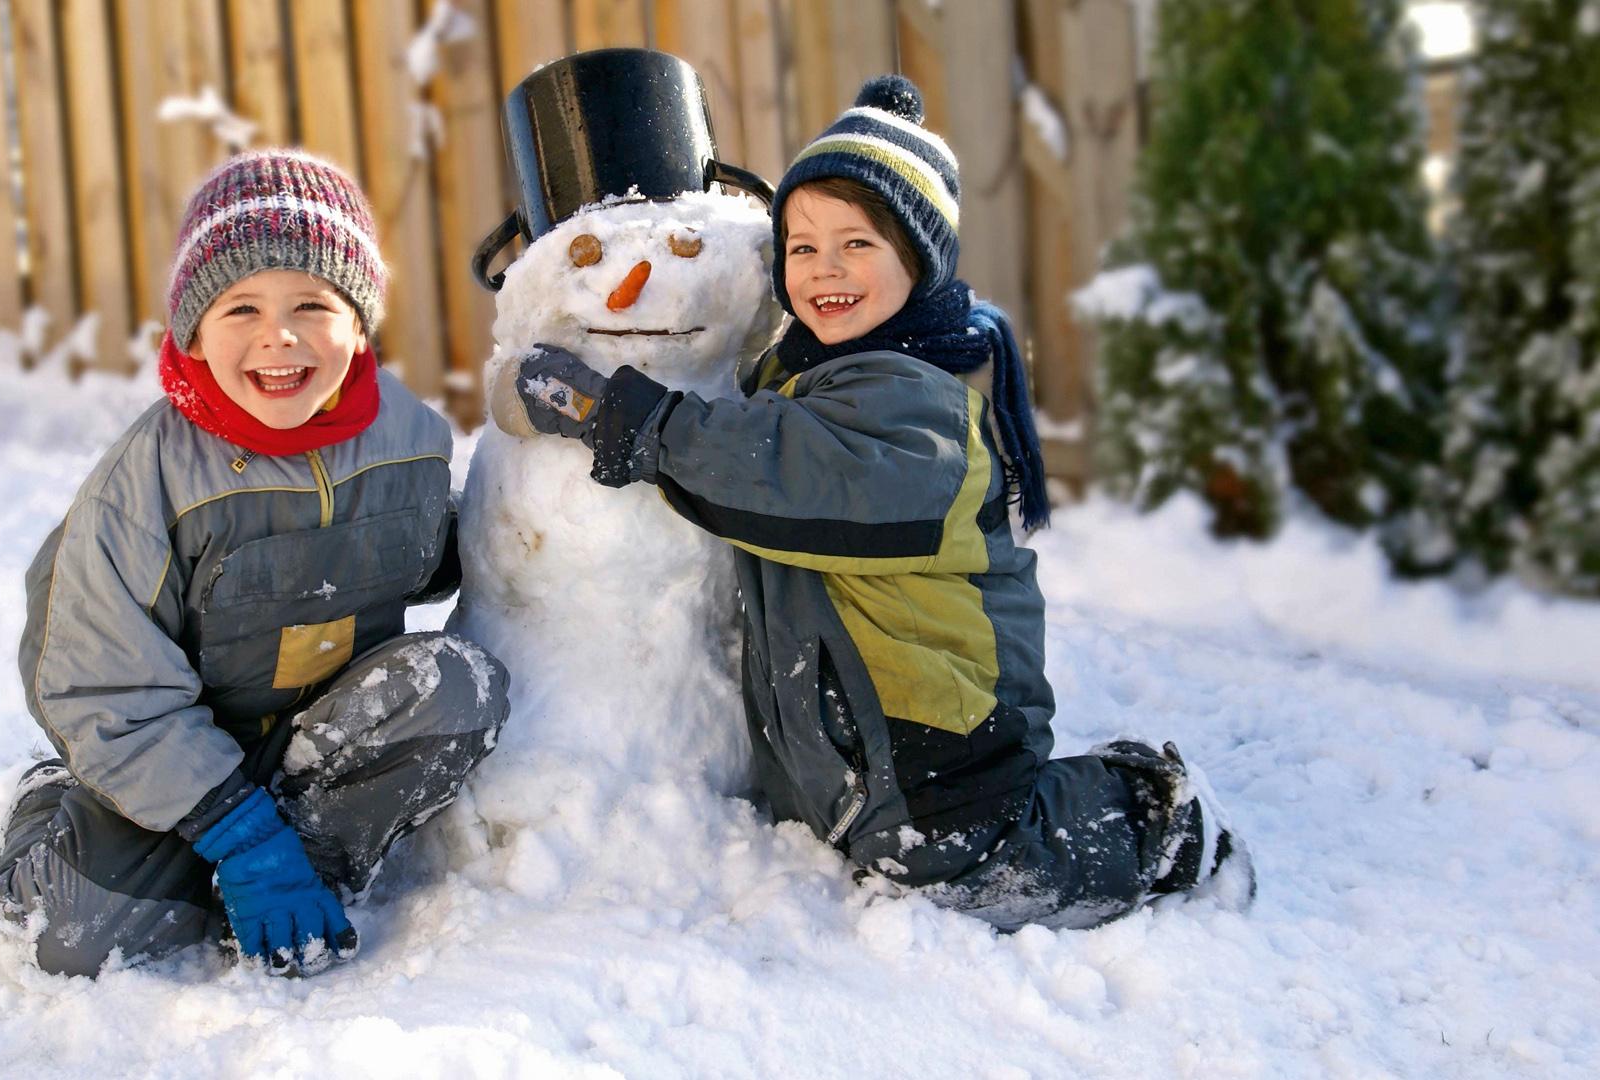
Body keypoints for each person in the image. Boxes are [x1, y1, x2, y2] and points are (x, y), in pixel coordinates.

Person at [491, 76, 1253, 929]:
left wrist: (634, 419)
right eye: (803, 247)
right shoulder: (815, 365)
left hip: (944, 739)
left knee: (957, 866)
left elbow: (788, 474)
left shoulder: (919, 399)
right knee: (889, 841)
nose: (825, 271)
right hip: (868, 742)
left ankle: (1156, 817)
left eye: (857, 244)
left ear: (920, 259)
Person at [0, 149, 509, 977]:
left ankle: (318, 856)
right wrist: (239, 836)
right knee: (69, 942)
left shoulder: (408, 436)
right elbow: (104, 686)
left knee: (457, 685)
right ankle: (53, 805)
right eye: (241, 308)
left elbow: (428, 556)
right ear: (193, 327)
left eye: (314, 302)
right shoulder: (148, 480)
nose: (281, 337)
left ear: (359, 321)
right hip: (172, 745)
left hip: (313, 733)